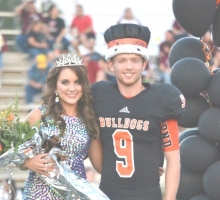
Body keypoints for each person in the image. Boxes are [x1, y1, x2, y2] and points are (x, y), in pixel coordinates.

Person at [91, 24, 186, 200]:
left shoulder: (162, 98)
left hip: (147, 194)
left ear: (144, 63)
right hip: (107, 193)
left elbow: (173, 159)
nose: (129, 66)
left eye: (135, 60)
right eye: (121, 60)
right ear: (111, 64)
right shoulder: (98, 96)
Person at [18, 53, 103, 199]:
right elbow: (13, 151)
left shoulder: (90, 120)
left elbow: (101, 166)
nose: (72, 88)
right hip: (38, 194)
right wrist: (28, 161)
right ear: (55, 86)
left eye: (77, 82)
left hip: (74, 195)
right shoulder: (39, 115)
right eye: (65, 82)